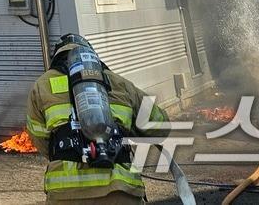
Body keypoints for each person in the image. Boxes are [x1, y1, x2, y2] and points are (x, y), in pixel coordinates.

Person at [25, 33, 170, 201]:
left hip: (65, 192)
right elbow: (160, 126)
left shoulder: (42, 85)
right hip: (120, 190)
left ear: (57, 56)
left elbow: (40, 139)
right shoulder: (118, 82)